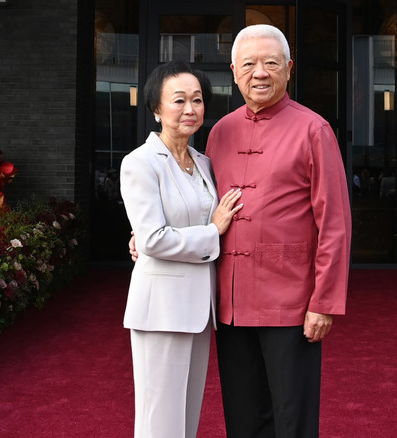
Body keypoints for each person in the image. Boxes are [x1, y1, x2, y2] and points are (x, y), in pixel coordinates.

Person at [206, 24, 352, 438]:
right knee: (243, 415)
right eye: (249, 64)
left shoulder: (314, 130)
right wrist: (148, 238)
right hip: (230, 300)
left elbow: (335, 224)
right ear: (234, 71)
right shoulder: (220, 132)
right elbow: (200, 206)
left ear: (289, 68)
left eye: (271, 63)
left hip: (291, 300)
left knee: (292, 417)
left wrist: (323, 302)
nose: (260, 73)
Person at [120, 59, 243, 438]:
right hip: (160, 309)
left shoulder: (203, 162)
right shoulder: (139, 163)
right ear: (156, 107)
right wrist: (213, 231)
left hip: (199, 308)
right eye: (179, 101)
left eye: (198, 100)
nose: (190, 109)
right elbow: (154, 238)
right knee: (160, 417)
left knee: (188, 415)